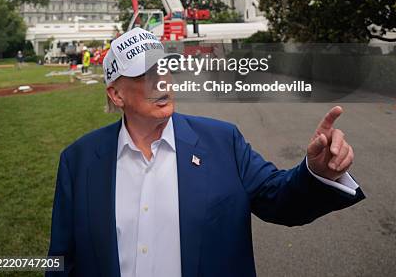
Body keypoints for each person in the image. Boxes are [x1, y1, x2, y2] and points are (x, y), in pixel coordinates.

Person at [46, 28, 365, 277]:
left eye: (164, 69)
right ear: (115, 94)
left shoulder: (222, 141)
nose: (161, 83)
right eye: (145, 75)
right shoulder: (79, 161)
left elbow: (280, 200)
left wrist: (316, 173)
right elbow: (62, 259)